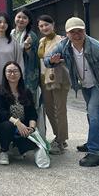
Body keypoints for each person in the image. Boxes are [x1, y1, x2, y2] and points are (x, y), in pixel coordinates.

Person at [45, 17, 99, 167]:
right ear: (67, 34)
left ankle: (95, 153)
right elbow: (47, 59)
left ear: (84, 31)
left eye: (79, 31)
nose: (76, 35)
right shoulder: (64, 46)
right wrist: (52, 61)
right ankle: (97, 142)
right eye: (72, 32)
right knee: (91, 113)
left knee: (93, 113)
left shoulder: (96, 47)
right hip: (85, 84)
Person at [0, 61, 38, 165]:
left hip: (22, 127)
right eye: (9, 71)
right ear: (5, 74)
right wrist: (17, 123)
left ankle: (17, 146)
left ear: (20, 73)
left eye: (15, 71)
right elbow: (0, 112)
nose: (12, 74)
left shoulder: (26, 92)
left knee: (33, 143)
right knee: (8, 126)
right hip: (4, 125)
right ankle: (4, 151)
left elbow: (32, 113)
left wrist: (32, 128)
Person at [37, 15, 70, 155]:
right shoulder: (41, 41)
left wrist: (59, 60)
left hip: (59, 78)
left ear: (53, 25)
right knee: (50, 110)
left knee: (60, 110)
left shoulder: (62, 40)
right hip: (44, 79)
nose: (44, 28)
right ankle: (59, 137)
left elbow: (68, 59)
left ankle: (60, 140)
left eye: (46, 25)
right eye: (41, 26)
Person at [12, 7, 40, 96]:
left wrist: (28, 49)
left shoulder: (32, 36)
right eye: (19, 17)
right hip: (12, 70)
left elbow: (35, 58)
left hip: (26, 73)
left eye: (24, 18)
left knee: (27, 99)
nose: (21, 20)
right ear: (15, 18)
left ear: (28, 21)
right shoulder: (9, 34)